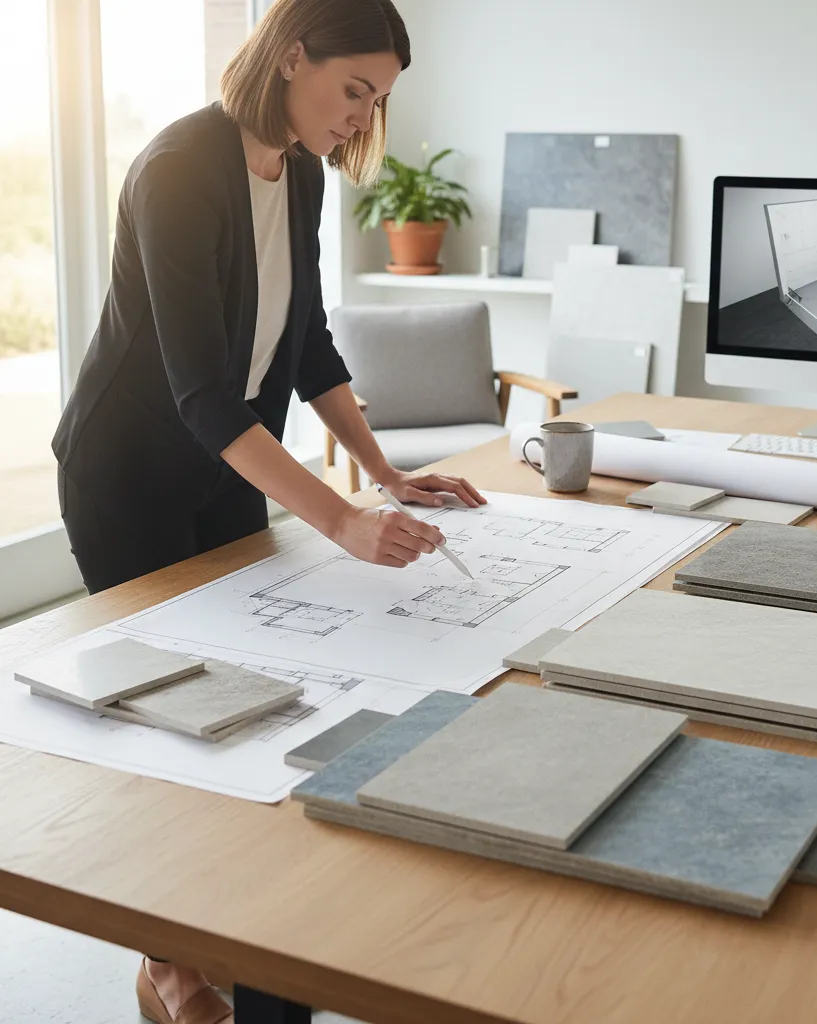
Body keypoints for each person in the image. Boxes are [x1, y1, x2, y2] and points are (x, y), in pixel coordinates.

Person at [51, 1, 483, 1020]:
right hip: (128, 476)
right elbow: (203, 390)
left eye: (376, 100)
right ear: (292, 55)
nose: (359, 117)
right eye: (352, 91)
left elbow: (312, 344)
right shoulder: (178, 169)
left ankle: (235, 931)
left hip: (223, 466)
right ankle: (171, 963)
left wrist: (382, 472)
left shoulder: (298, 175)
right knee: (167, 718)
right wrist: (338, 522)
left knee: (252, 703)